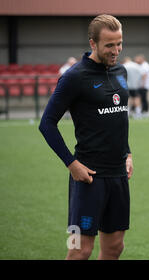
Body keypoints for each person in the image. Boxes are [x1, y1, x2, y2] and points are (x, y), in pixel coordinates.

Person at [39, 14, 133, 260]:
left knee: (114, 248)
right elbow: (47, 123)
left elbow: (118, 118)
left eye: (119, 43)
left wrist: (128, 152)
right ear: (93, 43)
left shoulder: (121, 71)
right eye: (109, 45)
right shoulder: (74, 76)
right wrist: (72, 164)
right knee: (80, 251)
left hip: (118, 175)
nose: (116, 50)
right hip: (88, 176)